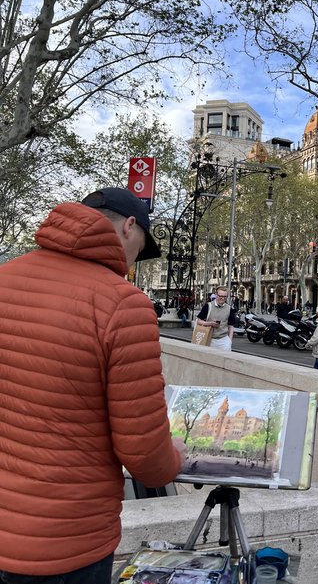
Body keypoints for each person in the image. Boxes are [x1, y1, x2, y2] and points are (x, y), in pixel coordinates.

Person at [0, 187, 187, 584]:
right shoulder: (124, 304)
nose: (135, 260)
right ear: (130, 228)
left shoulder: (5, 278)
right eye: (142, 248)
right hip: (65, 543)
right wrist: (176, 457)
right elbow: (145, 457)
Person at [196, 286, 236, 351]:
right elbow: (198, 321)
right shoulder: (208, 306)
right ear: (216, 295)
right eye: (220, 296)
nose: (222, 298)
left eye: (225, 296)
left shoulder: (229, 309)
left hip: (224, 340)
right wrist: (209, 323)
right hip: (209, 339)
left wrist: (230, 341)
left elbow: (231, 326)